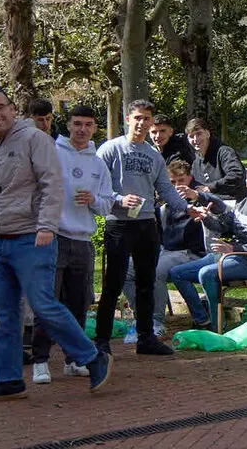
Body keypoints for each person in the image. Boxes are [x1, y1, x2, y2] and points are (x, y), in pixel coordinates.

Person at [0, 87, 111, 402]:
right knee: (4, 312)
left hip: (32, 237)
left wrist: (46, 227)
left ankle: (92, 357)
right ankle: (8, 380)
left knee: (43, 304)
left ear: (13, 109)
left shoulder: (34, 140)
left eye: (0, 107)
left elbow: (51, 185)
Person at [31, 105, 114, 384]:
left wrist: (94, 201)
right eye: (77, 123)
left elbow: (106, 205)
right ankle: (40, 361)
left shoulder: (98, 162)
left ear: (94, 128)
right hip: (53, 237)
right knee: (47, 301)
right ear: (67, 125)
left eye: (88, 125)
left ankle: (73, 359)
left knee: (79, 303)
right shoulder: (52, 153)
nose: (82, 129)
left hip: (83, 240)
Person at [95, 99, 184, 356]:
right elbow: (99, 188)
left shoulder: (153, 155)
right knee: (113, 283)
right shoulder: (110, 150)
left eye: (147, 119)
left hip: (147, 224)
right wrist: (119, 199)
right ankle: (101, 340)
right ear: (127, 119)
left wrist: (186, 208)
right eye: (138, 118)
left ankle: (146, 338)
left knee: (146, 282)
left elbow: (166, 189)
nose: (142, 123)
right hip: (119, 224)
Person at [170, 166, 247, 330]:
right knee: (177, 273)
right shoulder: (243, 203)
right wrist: (205, 218)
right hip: (227, 257)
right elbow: (223, 227)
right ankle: (203, 320)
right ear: (246, 181)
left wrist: (232, 247)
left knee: (206, 273)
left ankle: (218, 326)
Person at [123, 159, 210, 337]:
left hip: (191, 254)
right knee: (125, 270)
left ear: (190, 179)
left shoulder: (198, 201)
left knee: (156, 271)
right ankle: (141, 316)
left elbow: (217, 214)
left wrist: (198, 200)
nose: (177, 186)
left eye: (181, 181)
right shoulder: (163, 206)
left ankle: (156, 322)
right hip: (165, 251)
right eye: (172, 182)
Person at [186, 117, 247, 202]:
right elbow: (194, 185)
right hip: (210, 205)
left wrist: (210, 187)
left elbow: (237, 175)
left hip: (233, 202)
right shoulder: (196, 162)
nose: (195, 139)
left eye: (199, 134)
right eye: (191, 136)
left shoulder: (224, 152)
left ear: (208, 134)